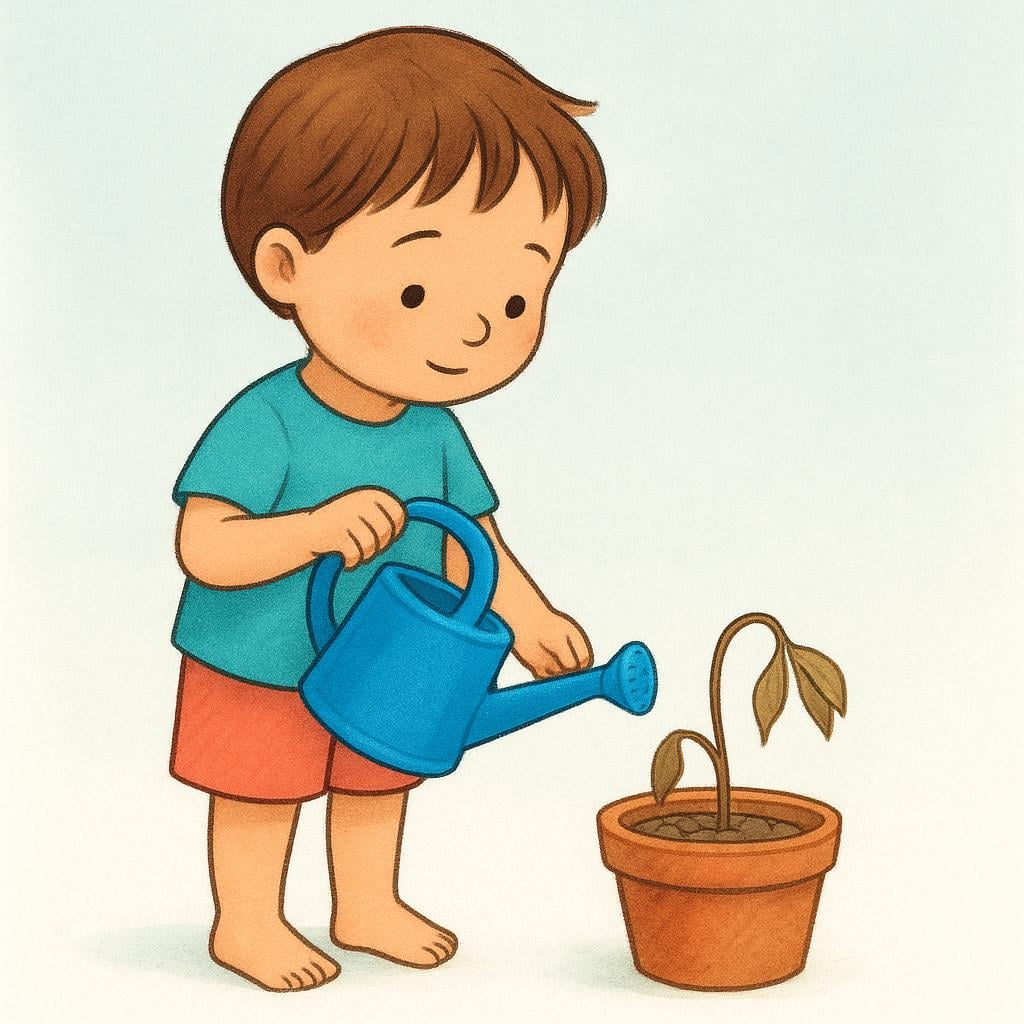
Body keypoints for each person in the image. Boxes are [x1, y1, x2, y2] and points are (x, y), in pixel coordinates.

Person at [169, 26, 607, 992]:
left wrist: (529, 619)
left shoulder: (434, 432)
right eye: (417, 286)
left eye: (513, 298)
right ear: (286, 267)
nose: (469, 331)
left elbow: (475, 540)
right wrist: (313, 533)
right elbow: (204, 546)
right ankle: (245, 920)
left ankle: (364, 904)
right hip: (264, 653)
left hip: (389, 654)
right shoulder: (268, 421)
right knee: (261, 785)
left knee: (378, 778)